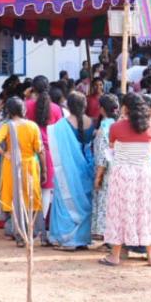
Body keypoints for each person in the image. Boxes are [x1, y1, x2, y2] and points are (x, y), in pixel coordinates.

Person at [101, 93, 151, 267]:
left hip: (122, 173)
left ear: (125, 108)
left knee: (119, 212)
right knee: (147, 212)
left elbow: (112, 147)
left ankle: (115, 255)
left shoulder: (115, 127)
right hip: (144, 172)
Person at [0, 97, 46, 248]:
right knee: (33, 198)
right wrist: (44, 171)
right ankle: (40, 233)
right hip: (30, 165)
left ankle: (18, 234)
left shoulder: (8, 126)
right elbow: (39, 149)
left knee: (14, 199)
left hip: (12, 166)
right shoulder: (33, 126)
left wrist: (5, 153)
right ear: (24, 109)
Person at [46, 92, 95, 250]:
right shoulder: (90, 122)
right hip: (86, 168)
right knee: (84, 202)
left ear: (68, 105)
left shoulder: (62, 125)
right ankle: (82, 238)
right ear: (85, 105)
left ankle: (67, 238)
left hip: (68, 170)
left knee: (65, 201)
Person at [90, 93, 120, 241]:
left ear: (101, 109)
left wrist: (98, 176)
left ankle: (104, 233)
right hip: (117, 169)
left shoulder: (103, 129)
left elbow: (103, 155)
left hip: (106, 171)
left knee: (103, 202)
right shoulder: (118, 125)